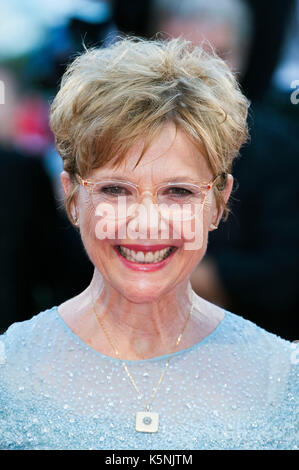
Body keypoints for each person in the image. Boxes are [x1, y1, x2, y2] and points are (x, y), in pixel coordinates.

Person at [0, 37, 297, 450]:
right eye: (116, 190)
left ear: (218, 202)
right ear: (71, 198)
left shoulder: (280, 376)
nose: (145, 224)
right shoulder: (9, 369)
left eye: (178, 192)